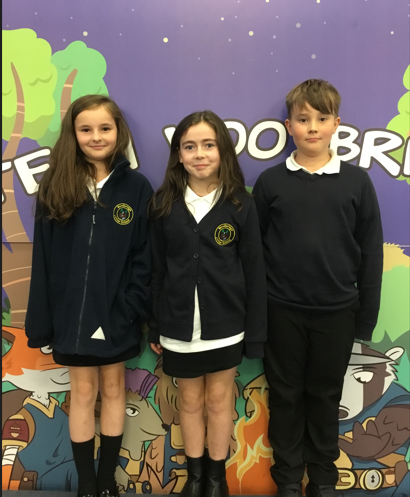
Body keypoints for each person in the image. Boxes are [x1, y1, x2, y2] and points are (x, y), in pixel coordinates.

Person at [252, 79, 383, 497]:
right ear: (288, 126)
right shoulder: (271, 182)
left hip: (337, 312)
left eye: (321, 118)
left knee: (325, 396)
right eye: (303, 119)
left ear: (336, 124)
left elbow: (370, 252)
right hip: (281, 311)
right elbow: (254, 254)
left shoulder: (356, 182)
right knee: (286, 397)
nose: (312, 127)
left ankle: (323, 480)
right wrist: (258, 314)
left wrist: (365, 317)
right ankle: (289, 480)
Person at [25, 95, 153, 497]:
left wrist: (130, 307)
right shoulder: (56, 185)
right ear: (74, 134)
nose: (96, 137)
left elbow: (145, 257)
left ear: (119, 132)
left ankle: (106, 481)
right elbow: (43, 260)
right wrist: (46, 320)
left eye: (105, 128)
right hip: (71, 321)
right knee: (82, 394)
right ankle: (85, 484)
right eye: (86, 129)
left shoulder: (136, 187)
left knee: (114, 391)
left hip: (117, 316)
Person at [148, 110, 267, 497]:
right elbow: (156, 270)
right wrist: (155, 326)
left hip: (226, 328)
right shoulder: (163, 204)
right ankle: (195, 477)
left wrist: (256, 333)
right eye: (190, 146)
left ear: (223, 151)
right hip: (179, 329)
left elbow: (254, 271)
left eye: (208, 145)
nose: (199, 154)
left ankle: (216, 480)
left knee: (218, 401)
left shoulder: (240, 204)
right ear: (178, 155)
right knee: (189, 402)